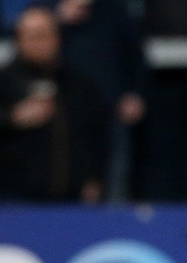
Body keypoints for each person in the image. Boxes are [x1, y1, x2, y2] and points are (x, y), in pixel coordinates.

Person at [0, 5, 108, 202]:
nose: (38, 42)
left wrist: (95, 178)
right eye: (31, 35)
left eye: (43, 35)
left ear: (57, 38)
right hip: (13, 201)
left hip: (71, 200)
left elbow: (97, 136)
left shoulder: (79, 84)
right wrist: (12, 118)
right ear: (18, 39)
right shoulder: (4, 81)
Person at [53, 0, 147, 202]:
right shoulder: (47, 9)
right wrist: (56, 20)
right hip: (61, 115)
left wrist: (134, 94)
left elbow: (135, 56)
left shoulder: (113, 10)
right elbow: (28, 52)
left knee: (114, 181)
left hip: (110, 111)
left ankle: (115, 229)